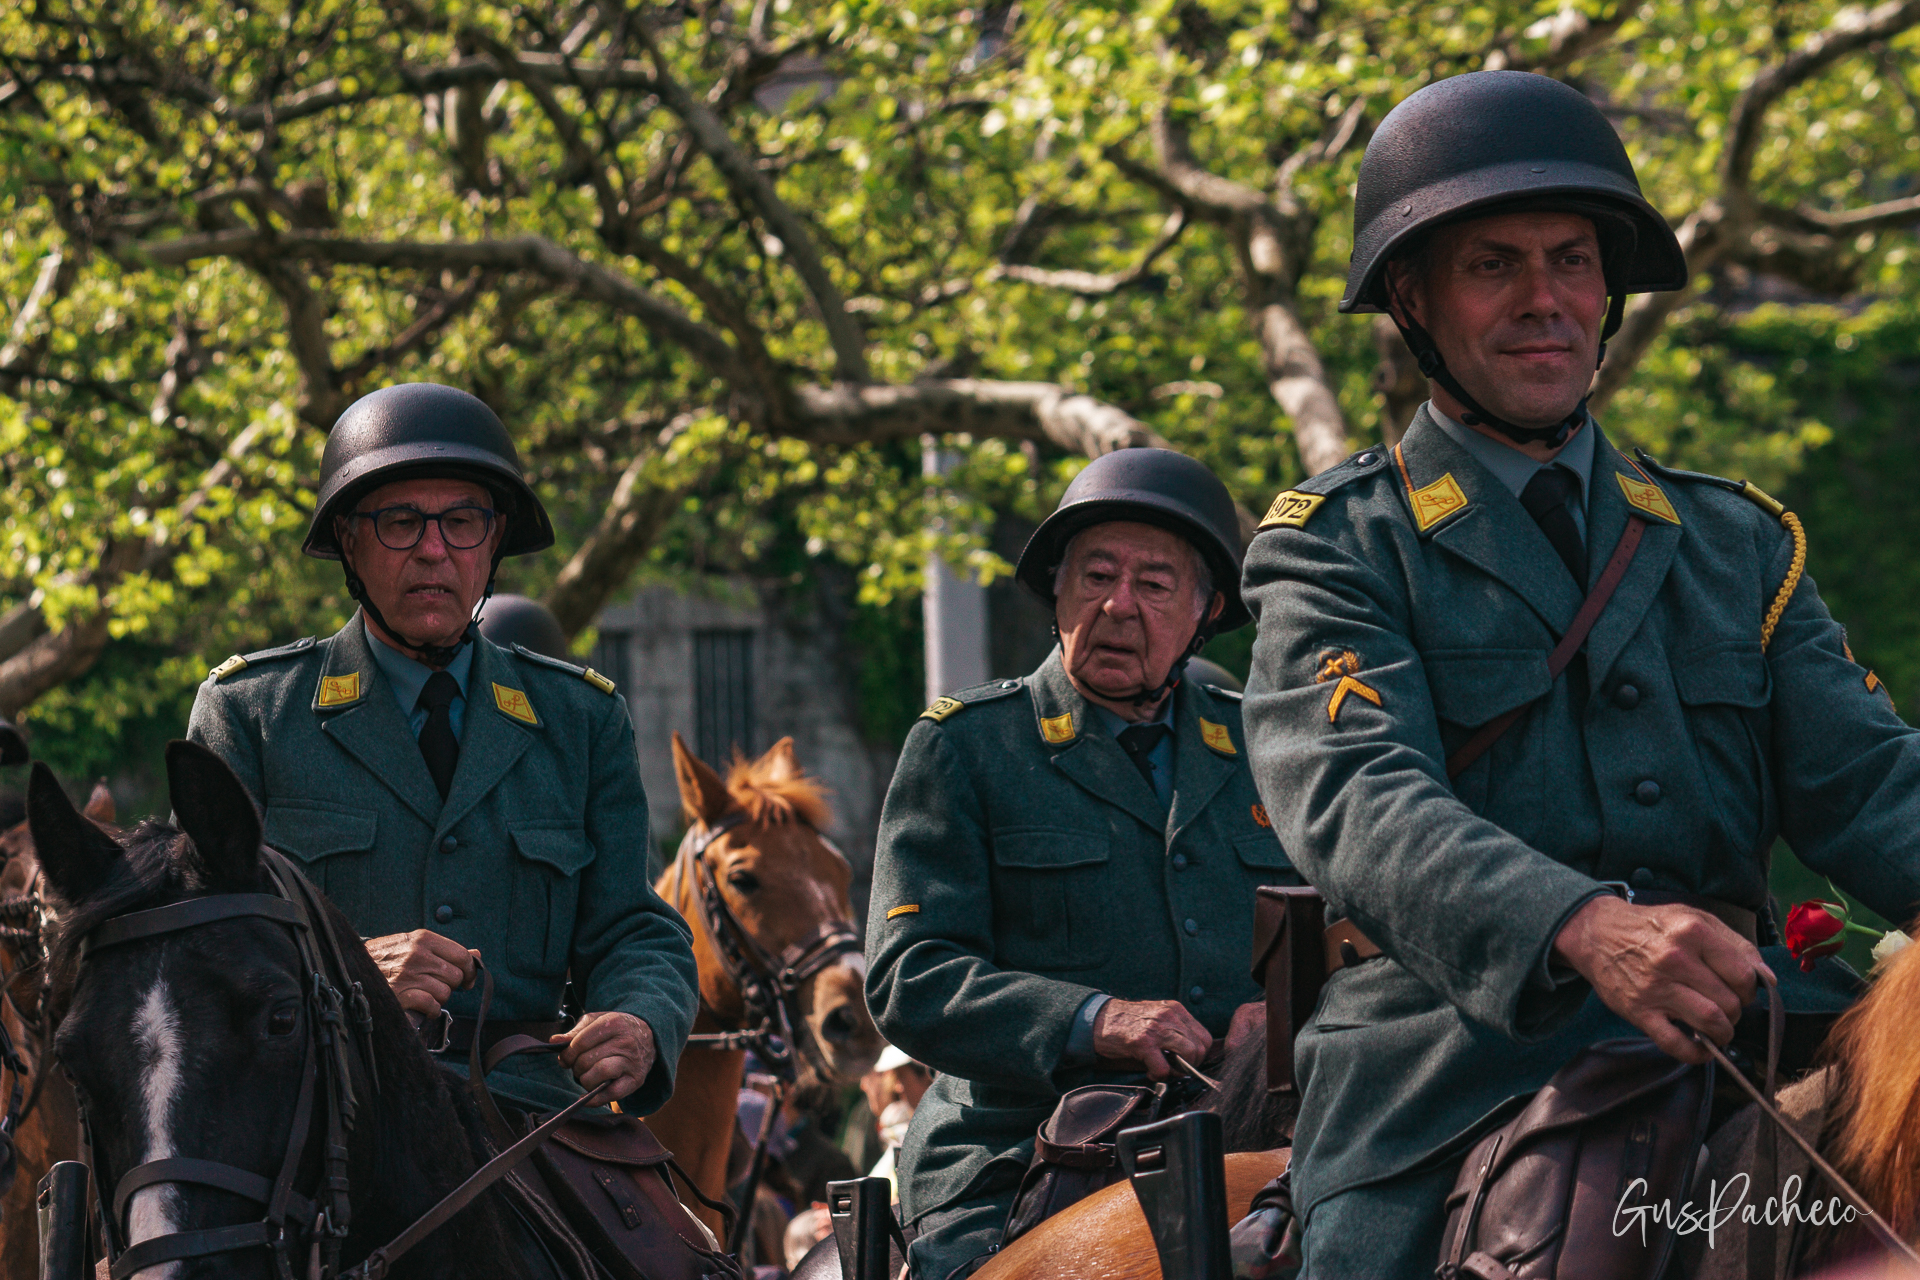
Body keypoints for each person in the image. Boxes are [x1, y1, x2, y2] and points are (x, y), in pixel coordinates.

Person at [1238, 71, 1920, 1275]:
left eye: (1571, 260)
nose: (1544, 299)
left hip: (1750, 1034)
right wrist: (1580, 923)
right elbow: (1359, 803)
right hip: (1449, 1068)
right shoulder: (1334, 543)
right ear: (1415, 297)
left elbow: (1872, 786)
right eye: (1494, 264)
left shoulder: (1736, 541)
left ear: (1608, 293)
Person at [187, 381, 699, 1119]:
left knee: (679, 1240)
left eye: (462, 522)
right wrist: (352, 974)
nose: (434, 551)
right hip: (313, 1111)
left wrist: (641, 1019)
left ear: (493, 545)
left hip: (529, 1113)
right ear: (349, 545)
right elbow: (201, 941)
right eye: (400, 523)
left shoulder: (581, 717)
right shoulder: (251, 712)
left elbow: (633, 926)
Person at [867, 447, 1300, 1279]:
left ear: (1207, 610)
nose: (1118, 605)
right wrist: (1096, 1019)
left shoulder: (1266, 743)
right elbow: (907, 978)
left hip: (1256, 1129)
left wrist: (1278, 1018)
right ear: (1057, 594)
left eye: (1155, 584)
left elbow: (1348, 928)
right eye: (1096, 576)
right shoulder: (966, 746)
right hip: (1019, 1151)